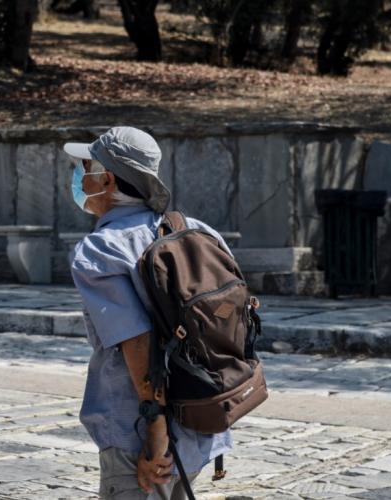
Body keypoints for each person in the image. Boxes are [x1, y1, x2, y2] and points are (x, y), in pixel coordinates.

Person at [64, 127, 233, 500]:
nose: (78, 175)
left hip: (139, 431)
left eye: (85, 167)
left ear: (106, 179)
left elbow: (136, 342)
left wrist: (155, 430)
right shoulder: (199, 231)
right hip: (203, 418)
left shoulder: (100, 250)